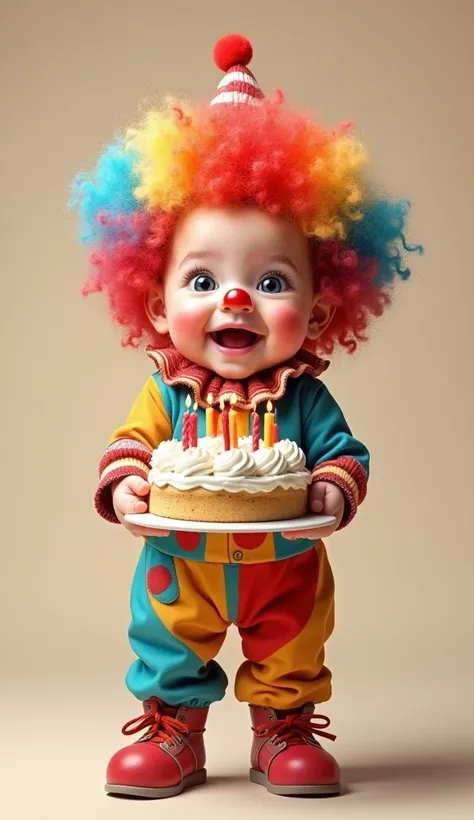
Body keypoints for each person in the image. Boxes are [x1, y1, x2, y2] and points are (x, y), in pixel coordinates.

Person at [70, 33, 421, 799]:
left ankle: (283, 727)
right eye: (203, 279)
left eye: (269, 280)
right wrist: (126, 483)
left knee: (293, 642)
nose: (235, 299)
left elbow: (342, 451)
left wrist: (332, 487)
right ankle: (173, 729)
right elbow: (132, 443)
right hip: (180, 560)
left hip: (284, 560)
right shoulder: (166, 388)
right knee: (166, 639)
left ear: (322, 306)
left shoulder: (304, 396)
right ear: (157, 305)